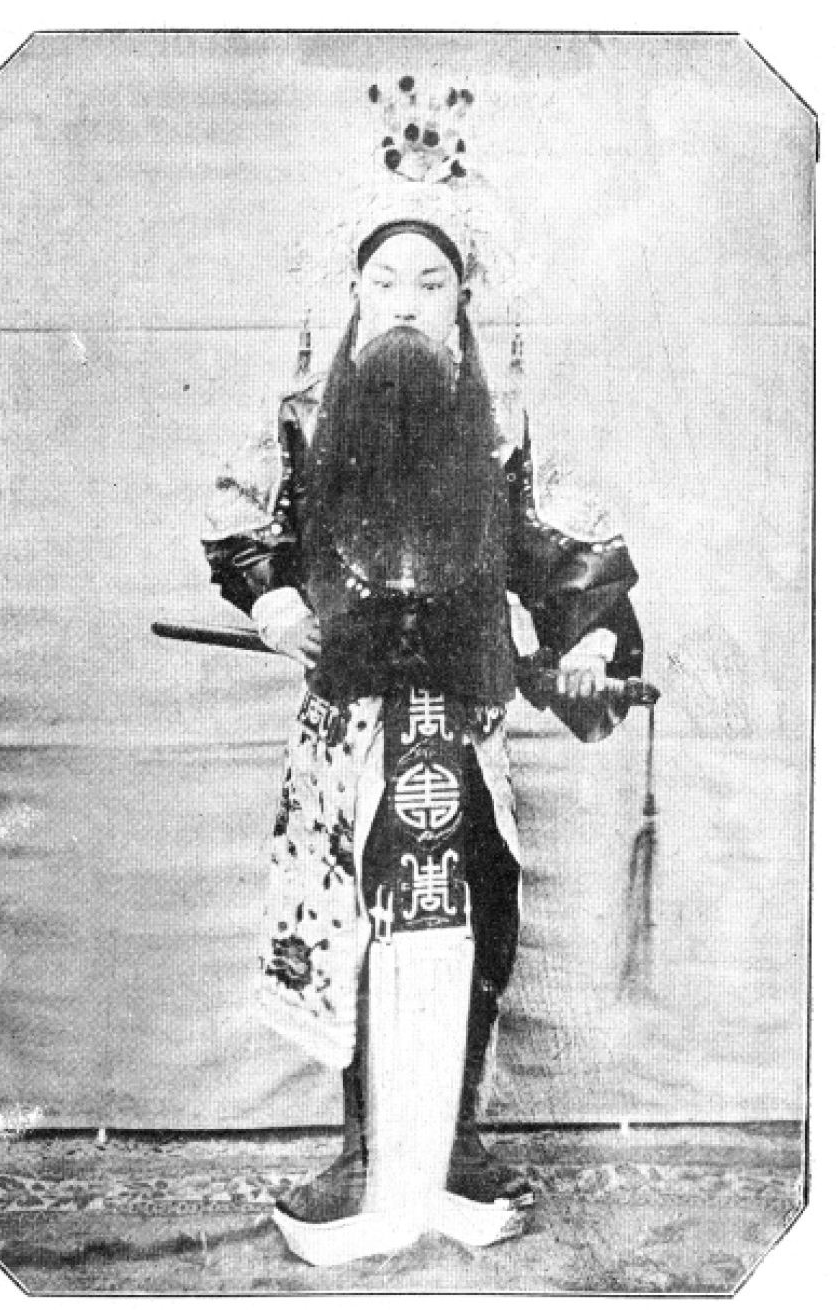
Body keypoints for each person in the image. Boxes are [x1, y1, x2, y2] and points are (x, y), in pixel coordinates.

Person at [201, 79, 643, 1261]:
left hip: (465, 715)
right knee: (349, 914)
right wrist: (273, 596)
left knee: (475, 902)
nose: (405, 301)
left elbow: (567, 552)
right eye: (385, 281)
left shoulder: (503, 426)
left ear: (462, 299)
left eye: (431, 282)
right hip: (346, 724)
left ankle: (452, 1139)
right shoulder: (304, 418)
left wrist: (588, 639)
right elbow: (244, 527)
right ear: (352, 292)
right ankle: (361, 1147)